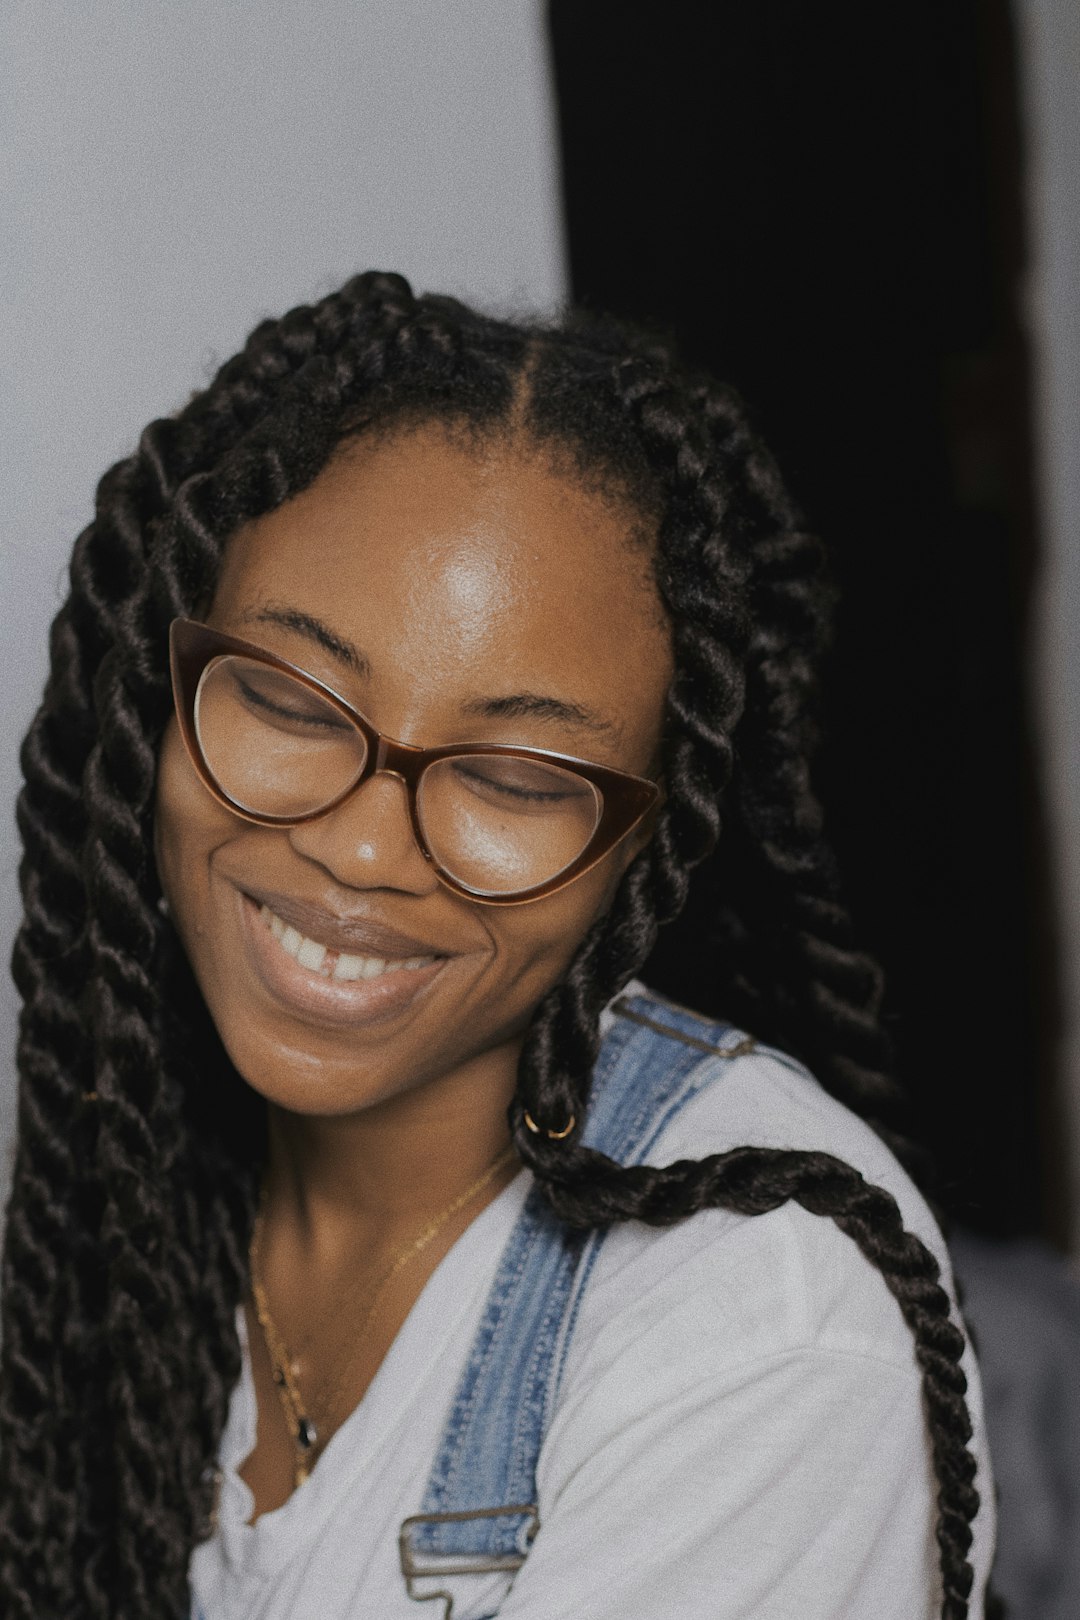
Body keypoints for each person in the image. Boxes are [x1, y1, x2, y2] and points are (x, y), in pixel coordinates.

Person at [0, 271, 996, 1619]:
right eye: (290, 700)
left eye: (519, 781)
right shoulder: (121, 1183)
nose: (360, 849)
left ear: (646, 845)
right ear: (155, 702)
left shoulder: (765, 1328)